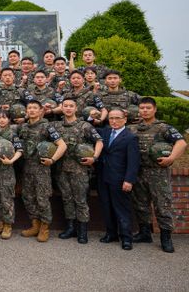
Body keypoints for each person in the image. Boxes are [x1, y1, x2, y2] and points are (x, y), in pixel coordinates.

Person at [128, 97, 186, 253]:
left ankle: (166, 238)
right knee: (140, 204)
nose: (144, 111)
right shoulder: (132, 129)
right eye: (142, 108)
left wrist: (171, 158)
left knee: (162, 205)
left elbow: (181, 143)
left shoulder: (163, 128)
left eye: (148, 108)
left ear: (154, 109)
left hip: (158, 172)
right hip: (139, 171)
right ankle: (145, 233)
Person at [52, 98, 104, 244]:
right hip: (62, 169)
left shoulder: (84, 126)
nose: (68, 108)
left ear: (76, 108)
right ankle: (71, 228)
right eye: (65, 106)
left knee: (80, 200)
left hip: (79, 169)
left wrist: (94, 157)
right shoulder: (56, 126)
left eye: (71, 106)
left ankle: (82, 230)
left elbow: (99, 141)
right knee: (67, 198)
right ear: (62, 108)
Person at [17, 100, 66, 242]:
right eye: (29, 108)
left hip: (41, 169)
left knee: (42, 198)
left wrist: (53, 160)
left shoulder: (47, 127)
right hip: (26, 168)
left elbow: (62, 145)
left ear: (40, 111)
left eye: (35, 108)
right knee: (28, 197)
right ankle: (35, 225)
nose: (32, 110)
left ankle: (45, 228)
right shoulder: (23, 127)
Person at [96, 108, 140, 250]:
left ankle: (126, 238)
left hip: (120, 179)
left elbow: (133, 162)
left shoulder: (130, 137)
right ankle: (111, 233)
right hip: (104, 176)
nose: (114, 121)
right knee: (107, 207)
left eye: (117, 118)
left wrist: (129, 180)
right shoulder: (105, 132)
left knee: (122, 208)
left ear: (125, 119)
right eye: (111, 118)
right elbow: (90, 128)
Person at [0, 110, 23, 239]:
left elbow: (20, 150)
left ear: (9, 119)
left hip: (6, 171)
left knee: (6, 199)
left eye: (4, 117)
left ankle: (8, 225)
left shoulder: (12, 134)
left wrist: (11, 161)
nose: (1, 120)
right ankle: (0, 223)